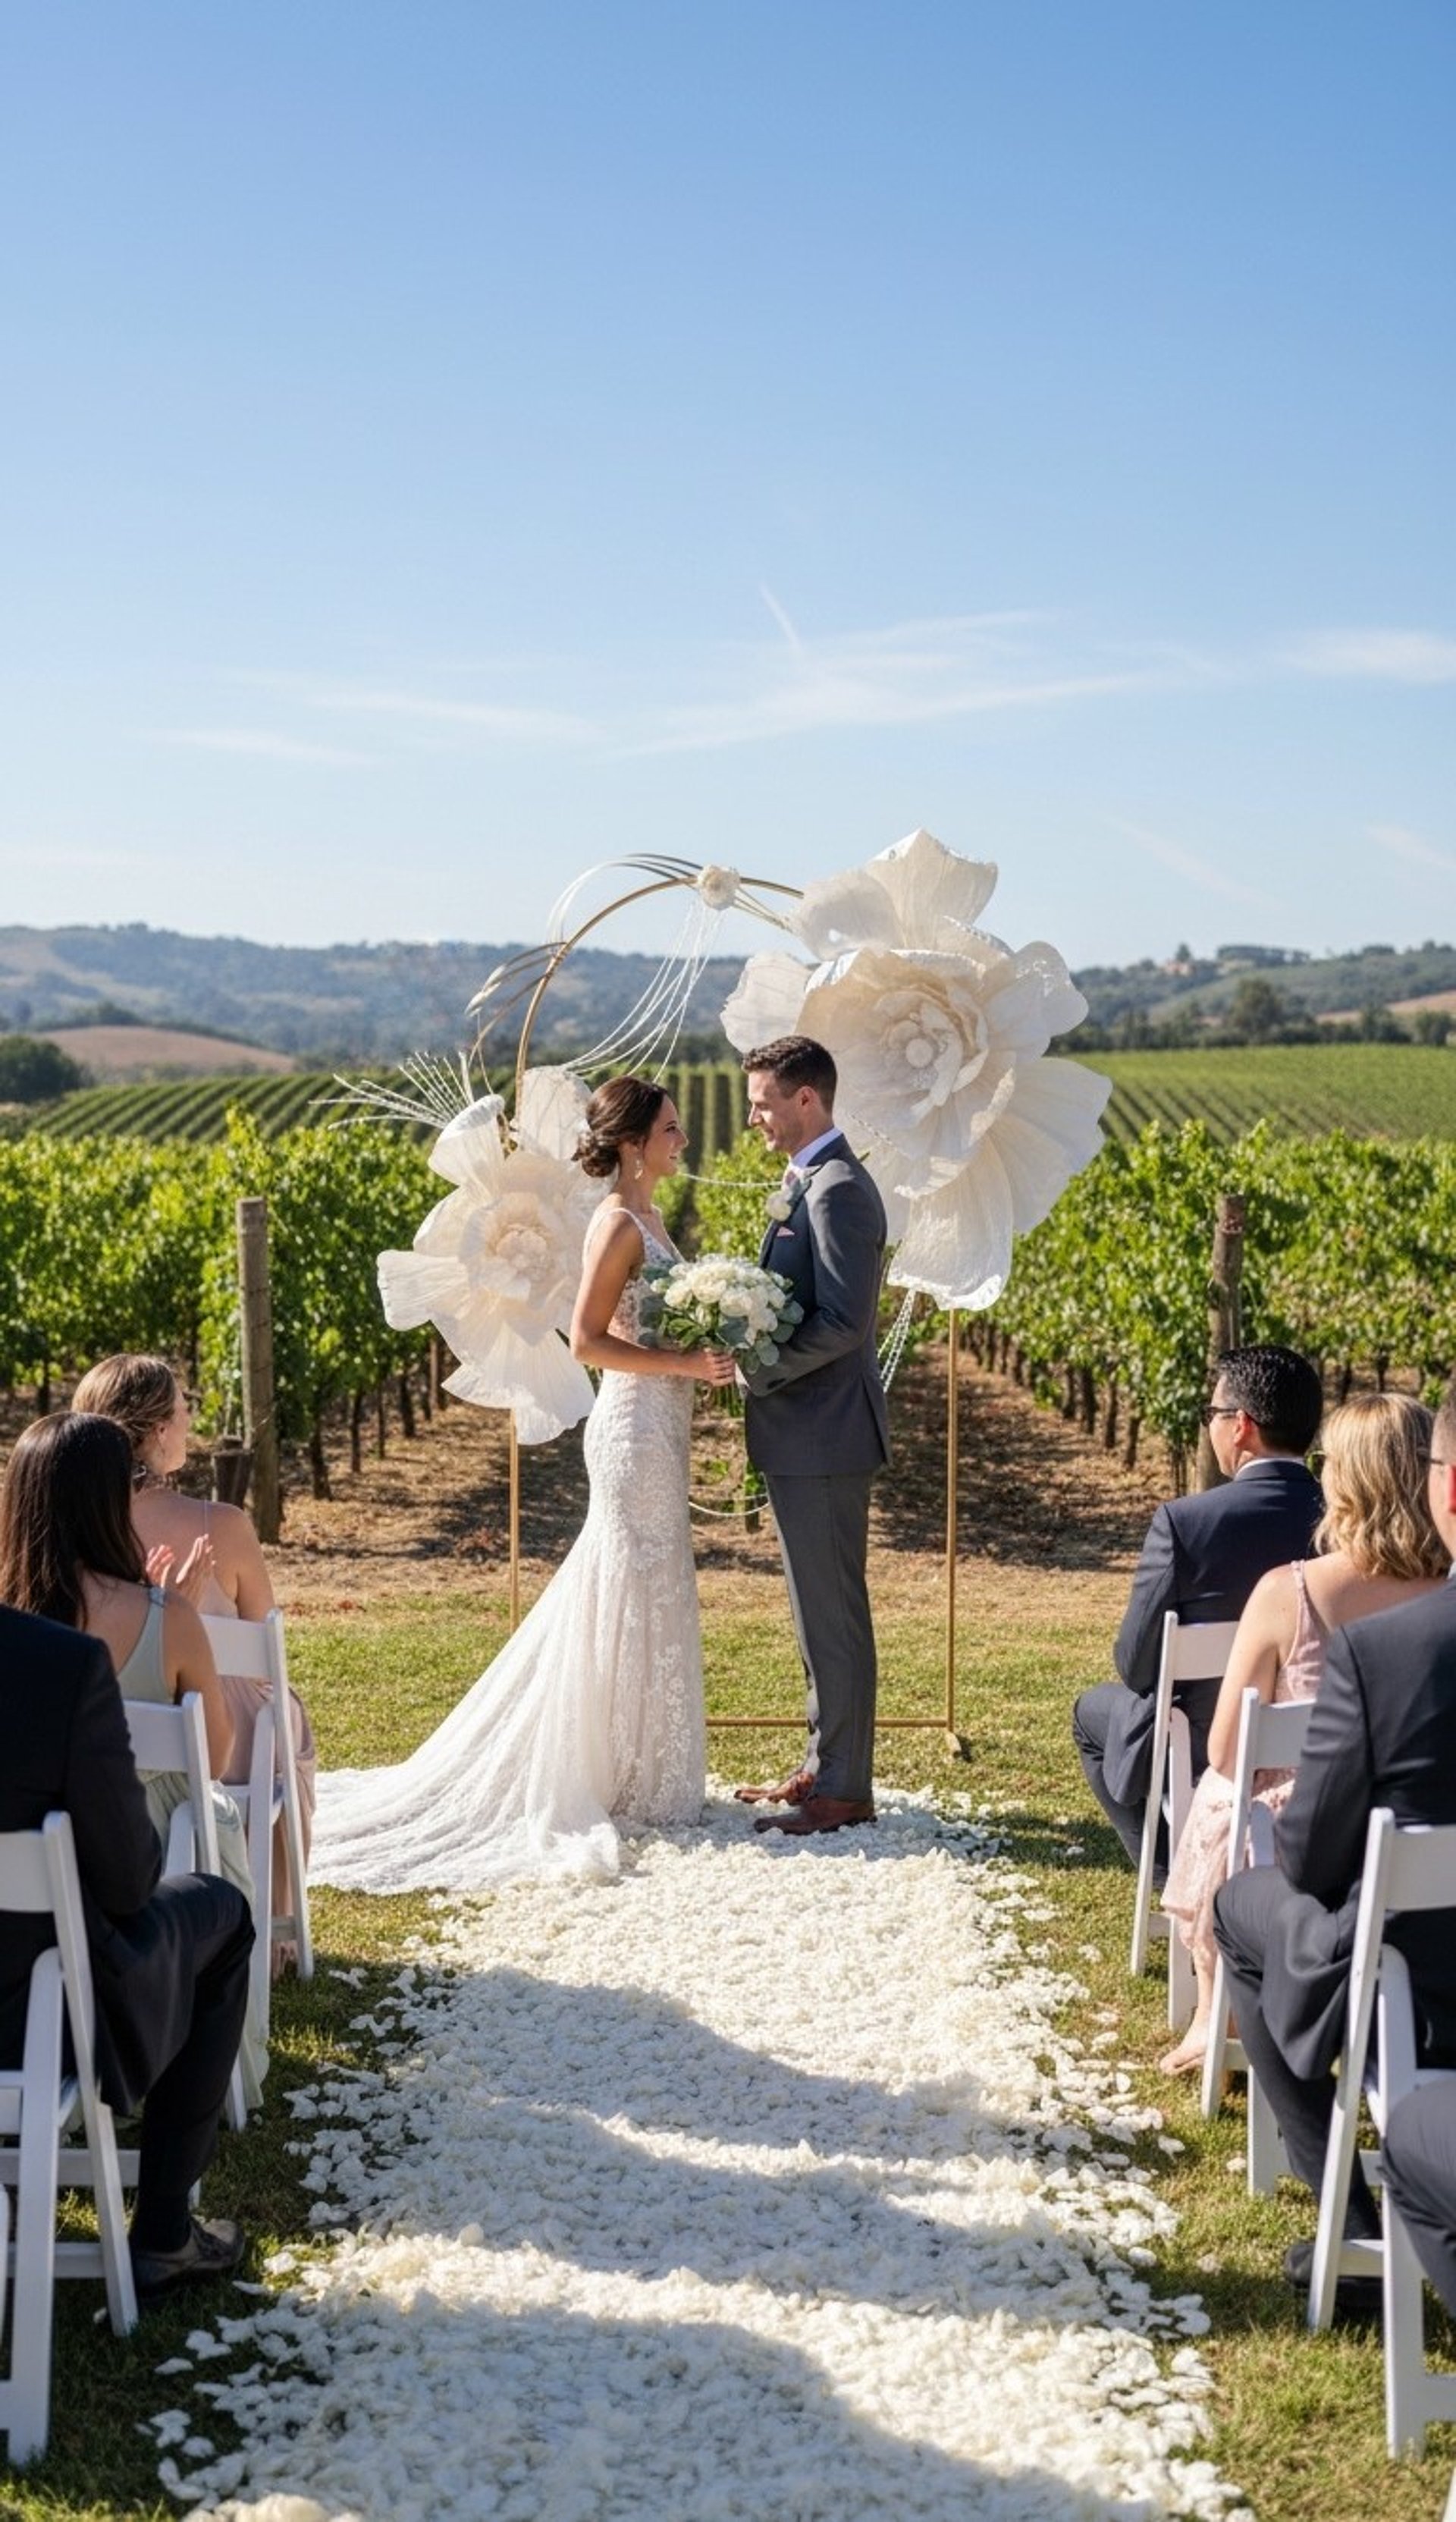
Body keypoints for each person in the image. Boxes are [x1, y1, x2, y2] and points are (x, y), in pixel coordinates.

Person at [308, 1076, 736, 1892]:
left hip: (661, 1423)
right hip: (635, 1426)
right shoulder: (617, 1223)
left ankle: (642, 1770)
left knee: (652, 1581)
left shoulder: (650, 1219)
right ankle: (617, 1776)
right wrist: (685, 1361)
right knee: (632, 1581)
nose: (682, 1141)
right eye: (672, 1130)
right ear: (636, 1142)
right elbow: (585, 1339)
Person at [1213, 1372, 1456, 2300]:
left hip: (1405, 1960)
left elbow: (1310, 1857)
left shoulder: (1383, 1654)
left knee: (1249, 1910)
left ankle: (1348, 2229)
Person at [1157, 1393, 1447, 2074]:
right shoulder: (1447, 1595)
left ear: (1346, 1479)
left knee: (1219, 1795)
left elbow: (1228, 1749)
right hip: (1421, 1824)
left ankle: (1214, 2011)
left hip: (1310, 1830)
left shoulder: (1290, 1593)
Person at [0, 1412, 268, 2110]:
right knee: (222, 1902)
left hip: (17, 1897)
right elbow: (214, 1757)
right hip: (122, 1861)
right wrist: (167, 1608)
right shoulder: (164, 1618)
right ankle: (170, 2202)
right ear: (107, 1501)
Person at [0, 1597, 253, 2302]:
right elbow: (130, 1878)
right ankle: (165, 2231)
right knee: (223, 1914)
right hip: (31, 2022)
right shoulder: (58, 1665)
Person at [71, 1352, 317, 1937]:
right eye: (184, 1409)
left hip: (111, 1727)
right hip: (216, 1736)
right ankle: (276, 1919)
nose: (189, 1419)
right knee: (287, 1716)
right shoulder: (224, 1524)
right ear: (159, 1430)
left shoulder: (69, 1527)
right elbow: (264, 1645)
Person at [1071, 1345, 1324, 1875]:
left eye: (1212, 1414)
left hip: (1207, 1747)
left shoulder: (1185, 1523)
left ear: (1241, 1426)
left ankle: (1173, 1874)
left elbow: (1135, 1665)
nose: (1208, 1425)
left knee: (1092, 1711)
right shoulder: (1343, 1521)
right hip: (1313, 1743)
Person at [731, 1036, 889, 1839]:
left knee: (833, 1613)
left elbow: (846, 1321)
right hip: (805, 1438)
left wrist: (758, 1368)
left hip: (826, 1436)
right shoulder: (807, 1182)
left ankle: (847, 1788)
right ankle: (825, 1762)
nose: (752, 1114)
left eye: (762, 1100)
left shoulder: (836, 1191)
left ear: (806, 1100)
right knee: (813, 1611)